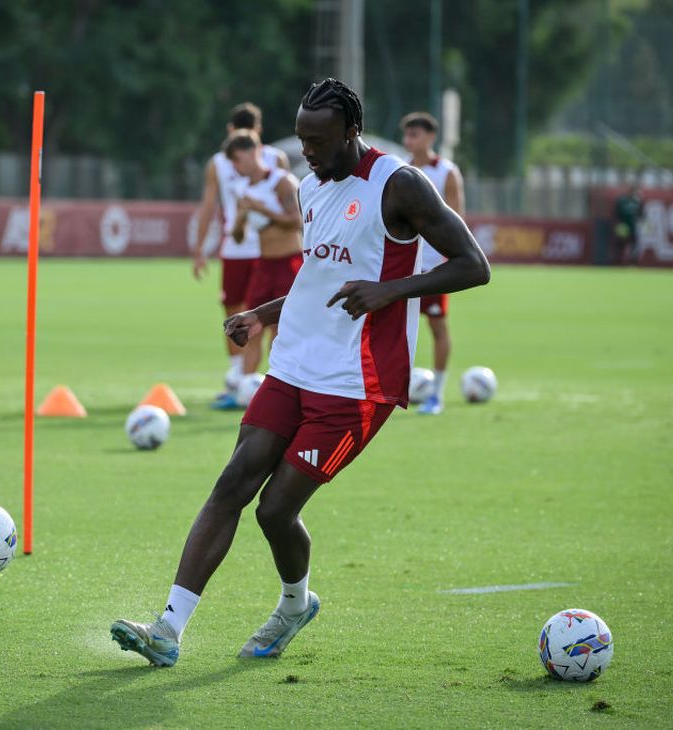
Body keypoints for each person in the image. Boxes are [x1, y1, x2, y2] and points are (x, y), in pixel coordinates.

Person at [111, 79, 490, 667]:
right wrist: (260, 316)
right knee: (232, 483)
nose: (306, 152)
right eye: (302, 139)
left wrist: (391, 290)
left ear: (352, 132)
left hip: (358, 385)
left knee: (274, 511)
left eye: (318, 141)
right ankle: (167, 629)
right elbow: (317, 280)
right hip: (293, 365)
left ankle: (294, 605)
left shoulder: (399, 184)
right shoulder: (310, 187)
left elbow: (474, 266)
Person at [191, 102, 290, 408]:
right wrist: (201, 247)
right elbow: (209, 205)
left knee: (277, 319)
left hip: (273, 252)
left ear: (259, 133)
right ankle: (239, 381)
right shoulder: (219, 163)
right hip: (238, 249)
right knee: (236, 314)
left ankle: (278, 382)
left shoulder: (277, 164)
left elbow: (292, 210)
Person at [400, 111, 465, 415]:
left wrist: (450, 257)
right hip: (404, 264)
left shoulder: (446, 171)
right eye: (407, 135)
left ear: (430, 137)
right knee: (395, 328)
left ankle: (436, 394)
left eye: (415, 135)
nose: (409, 141)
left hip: (434, 265)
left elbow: (457, 218)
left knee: (437, 326)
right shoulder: (400, 170)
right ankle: (391, 388)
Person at [225, 130, 303, 383]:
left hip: (289, 261)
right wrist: (240, 219)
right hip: (263, 265)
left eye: (238, 159)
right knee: (251, 326)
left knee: (282, 329)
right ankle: (245, 386)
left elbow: (296, 221)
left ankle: (279, 383)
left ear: (253, 152)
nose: (236, 167)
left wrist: (261, 209)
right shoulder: (243, 190)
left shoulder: (281, 181)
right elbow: (238, 237)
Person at [613, 185, 644, 265]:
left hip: (633, 226)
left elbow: (641, 214)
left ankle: (633, 262)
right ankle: (618, 261)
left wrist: (642, 222)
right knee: (620, 243)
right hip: (623, 226)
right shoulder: (622, 201)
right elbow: (616, 213)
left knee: (634, 244)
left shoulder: (637, 201)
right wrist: (617, 224)